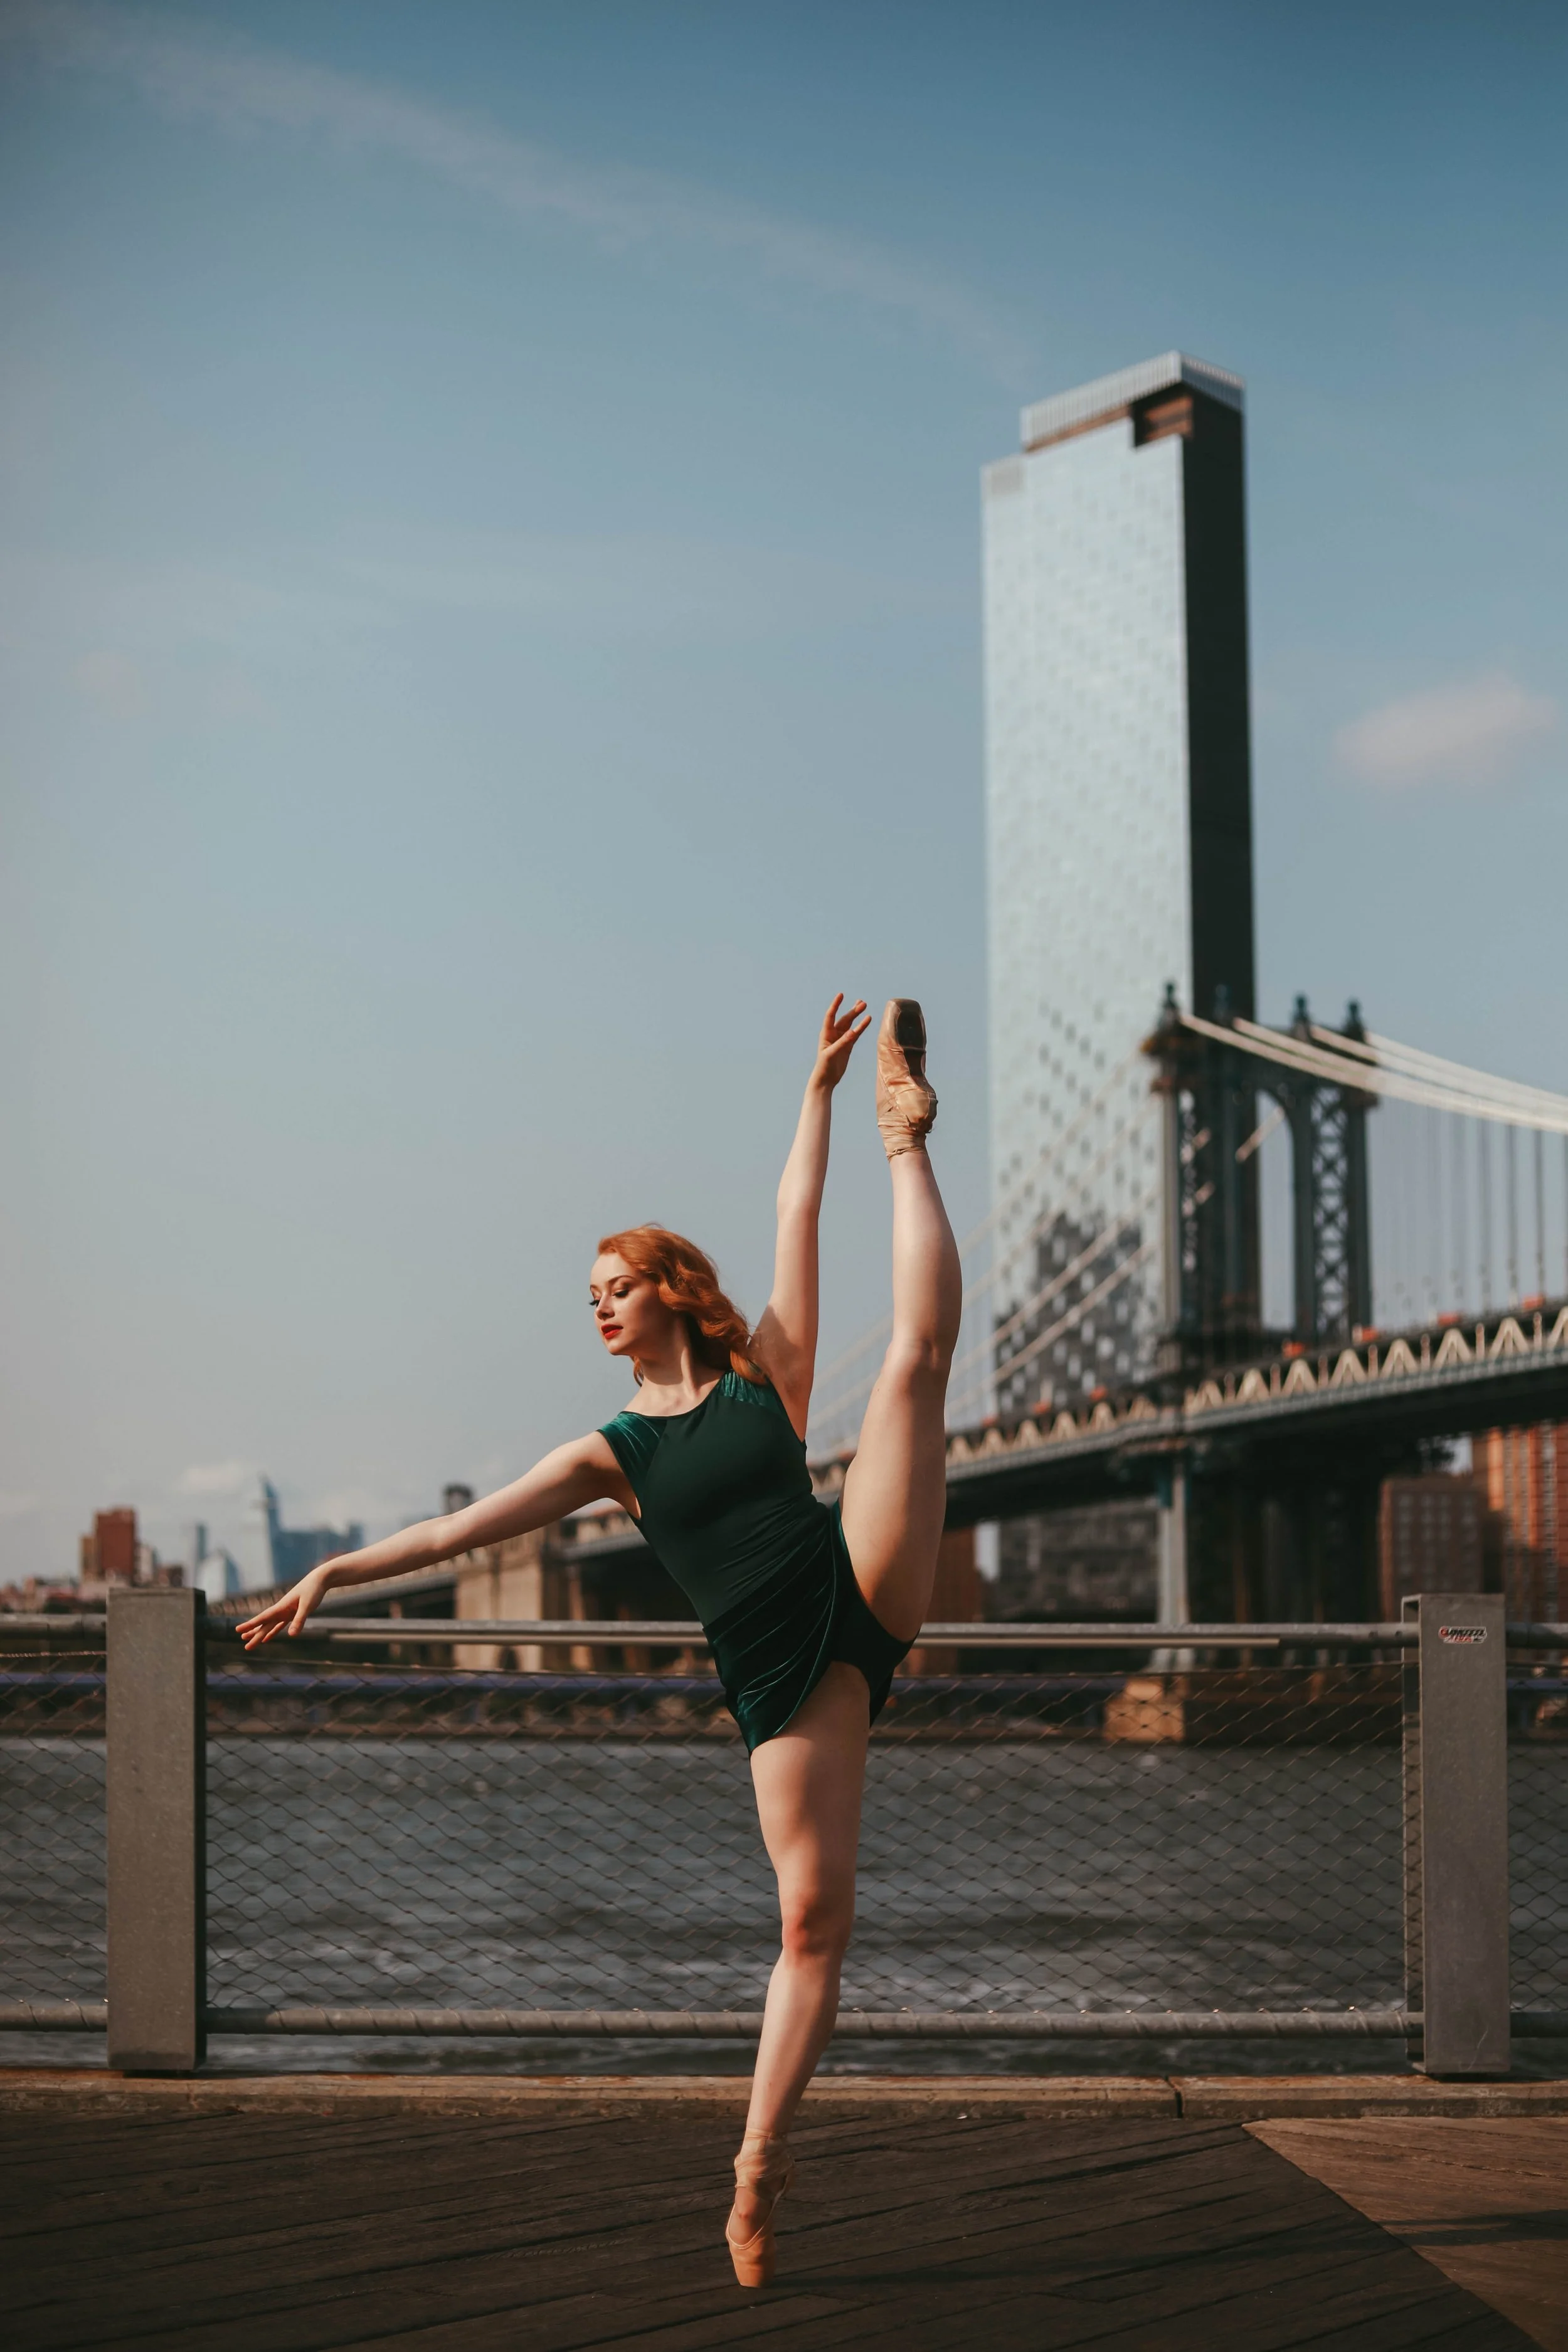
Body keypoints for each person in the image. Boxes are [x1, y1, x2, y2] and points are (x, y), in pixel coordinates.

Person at [238, 995, 960, 2287]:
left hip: (856, 1581)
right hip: (780, 1680)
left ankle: (909, 1132)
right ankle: (757, 2172)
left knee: (911, 1365)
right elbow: (457, 1536)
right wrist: (332, 1571)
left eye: (615, 1288)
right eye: (588, 1297)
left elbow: (794, 1217)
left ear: (670, 1291)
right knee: (811, 1925)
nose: (598, 1309)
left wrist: (826, 1099)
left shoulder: (764, 1380)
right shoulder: (607, 1454)